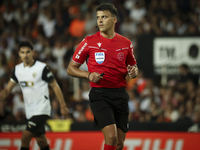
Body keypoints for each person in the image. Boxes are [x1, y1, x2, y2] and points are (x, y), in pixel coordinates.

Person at [67, 3, 138, 150]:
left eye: (104, 17)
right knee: (111, 137)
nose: (99, 20)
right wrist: (88, 75)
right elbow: (71, 69)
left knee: (119, 143)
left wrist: (133, 72)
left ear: (114, 20)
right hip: (99, 94)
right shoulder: (88, 42)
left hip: (120, 94)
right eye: (98, 17)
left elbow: (133, 66)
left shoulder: (126, 43)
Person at [0, 41, 69, 150]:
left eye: (28, 52)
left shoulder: (41, 68)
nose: (25, 55)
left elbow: (55, 86)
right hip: (30, 111)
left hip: (42, 109)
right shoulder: (18, 70)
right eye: (23, 52)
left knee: (25, 137)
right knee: (41, 141)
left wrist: (63, 106)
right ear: (19, 54)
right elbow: (7, 90)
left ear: (33, 53)